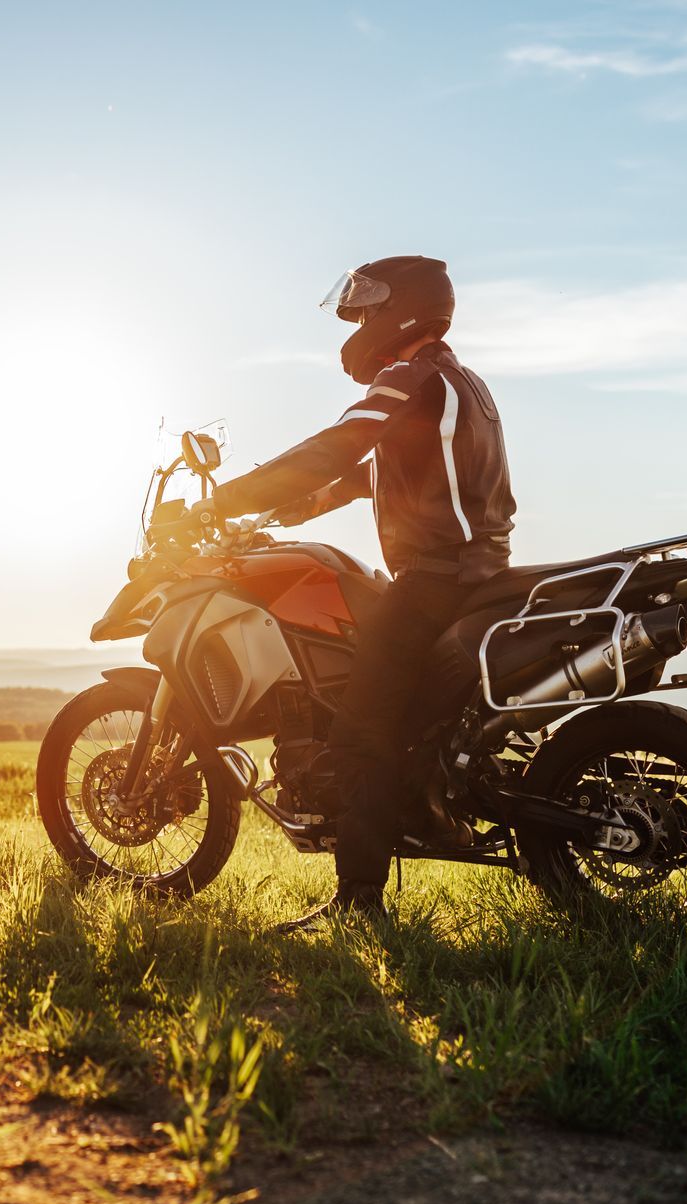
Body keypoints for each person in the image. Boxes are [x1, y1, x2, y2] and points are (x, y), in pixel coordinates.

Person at [191, 256, 516, 928]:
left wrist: (222, 501)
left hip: (436, 578)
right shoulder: (461, 383)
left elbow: (338, 446)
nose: (361, 324)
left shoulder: (411, 374)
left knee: (360, 730)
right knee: (393, 715)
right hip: (477, 571)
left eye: (368, 311)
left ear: (402, 310)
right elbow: (367, 473)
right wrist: (285, 511)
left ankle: (359, 903)